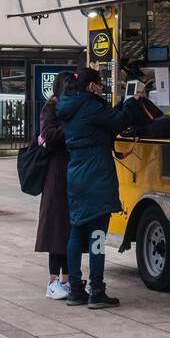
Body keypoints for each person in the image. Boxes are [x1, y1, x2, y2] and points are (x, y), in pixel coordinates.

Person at [56, 68, 142, 308]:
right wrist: (132, 103)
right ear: (90, 86)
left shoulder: (69, 105)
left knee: (76, 232)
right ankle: (96, 290)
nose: (102, 87)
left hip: (76, 175)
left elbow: (102, 123)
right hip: (97, 176)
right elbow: (119, 121)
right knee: (96, 235)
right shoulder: (91, 106)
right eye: (99, 84)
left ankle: (75, 288)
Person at [35, 71, 76, 300]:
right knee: (55, 227)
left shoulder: (73, 108)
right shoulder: (51, 108)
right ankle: (52, 281)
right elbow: (48, 134)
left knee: (70, 227)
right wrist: (72, 130)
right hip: (55, 172)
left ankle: (66, 280)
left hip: (72, 170)